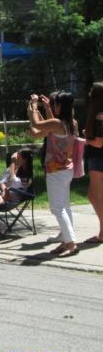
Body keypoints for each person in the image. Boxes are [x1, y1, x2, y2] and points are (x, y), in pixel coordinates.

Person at [28, 90, 80, 257]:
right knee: (64, 206)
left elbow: (37, 125)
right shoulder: (72, 123)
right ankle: (66, 241)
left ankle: (71, 243)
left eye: (55, 103)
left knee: (57, 208)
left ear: (60, 106)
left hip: (55, 171)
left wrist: (34, 107)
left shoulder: (57, 123)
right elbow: (48, 128)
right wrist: (47, 108)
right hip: (67, 170)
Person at [83, 82, 103, 244]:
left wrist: (85, 140)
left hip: (98, 156)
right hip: (97, 156)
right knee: (94, 195)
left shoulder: (99, 116)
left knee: (95, 195)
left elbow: (98, 142)